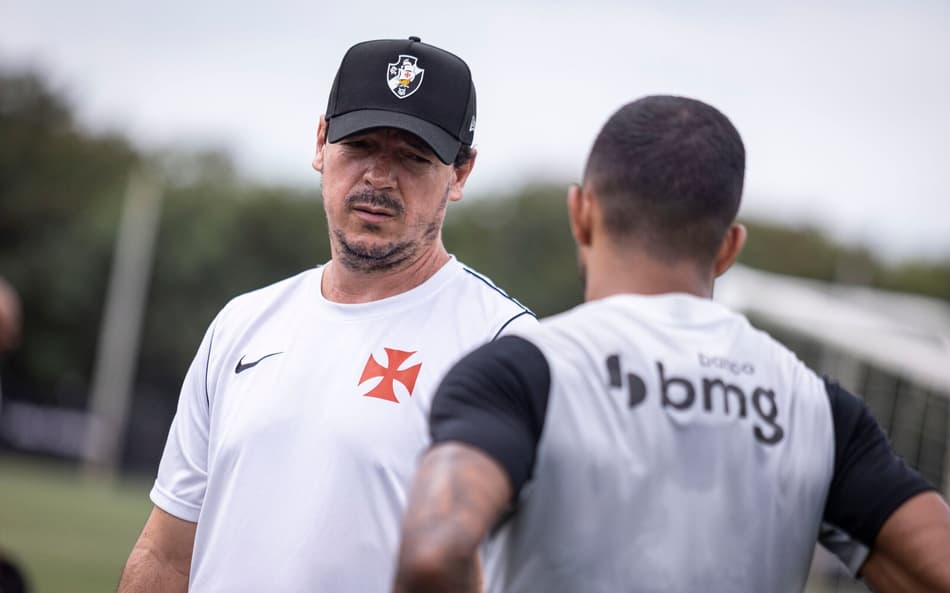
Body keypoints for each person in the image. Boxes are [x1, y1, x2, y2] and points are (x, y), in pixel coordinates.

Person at [393, 96, 950, 593]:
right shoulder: (819, 409)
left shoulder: (524, 371)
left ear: (581, 214)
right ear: (729, 248)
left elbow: (432, 554)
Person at [117, 36, 534, 592]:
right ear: (321, 142)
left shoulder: (503, 345)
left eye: (413, 158)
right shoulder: (243, 323)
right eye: (360, 145)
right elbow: (166, 554)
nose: (379, 178)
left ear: (460, 173)